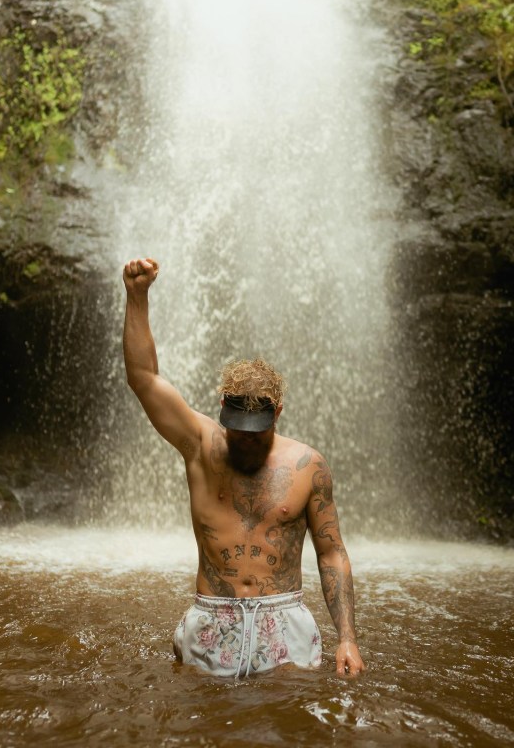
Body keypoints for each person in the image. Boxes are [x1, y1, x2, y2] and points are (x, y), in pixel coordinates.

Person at [122, 257, 366, 679]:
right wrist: (137, 295)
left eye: (258, 430)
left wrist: (347, 638)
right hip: (212, 618)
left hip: (284, 621)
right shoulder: (201, 446)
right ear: (222, 411)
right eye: (238, 429)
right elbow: (143, 377)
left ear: (279, 412)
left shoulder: (308, 465)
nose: (247, 439)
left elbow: (331, 552)